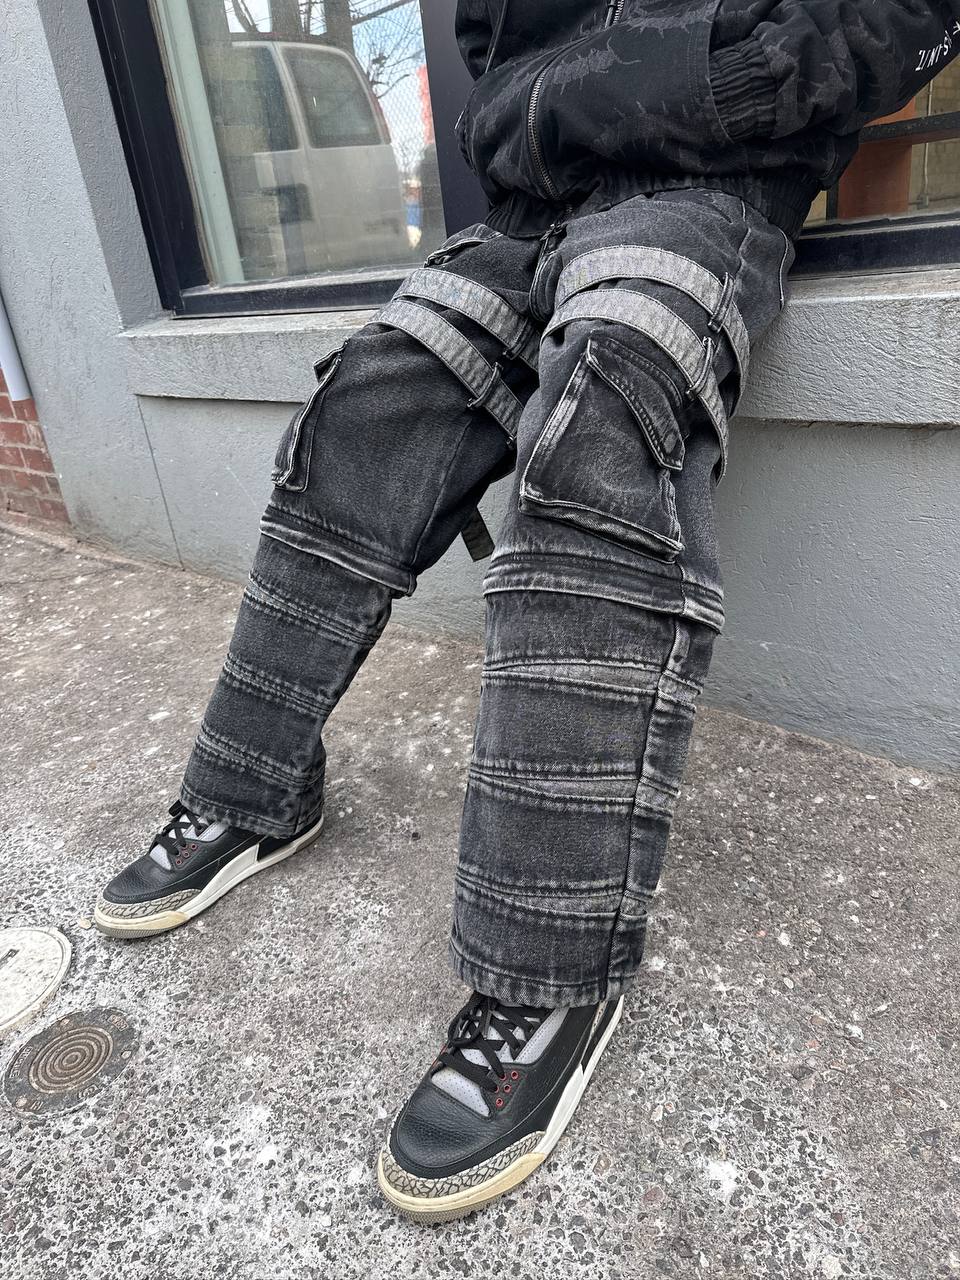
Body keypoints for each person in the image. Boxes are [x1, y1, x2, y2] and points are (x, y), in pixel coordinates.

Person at [94, 0, 959, 1223]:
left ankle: (545, 967)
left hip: (708, 189)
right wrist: (529, 117)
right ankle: (254, 788)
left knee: (602, 409)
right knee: (364, 406)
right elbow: (490, 45)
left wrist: (739, 86)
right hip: (529, 211)